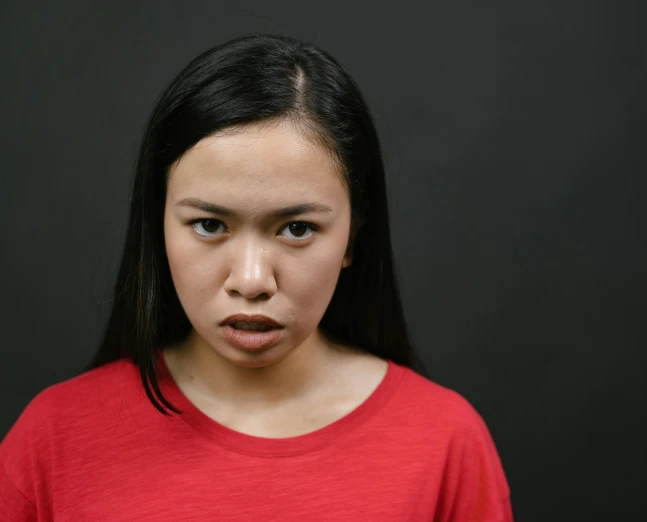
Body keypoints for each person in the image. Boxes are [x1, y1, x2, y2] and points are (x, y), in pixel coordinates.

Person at [0, 34, 512, 521]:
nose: (251, 281)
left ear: (353, 238)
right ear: (157, 227)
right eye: (208, 225)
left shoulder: (444, 443)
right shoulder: (54, 438)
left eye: (297, 228)